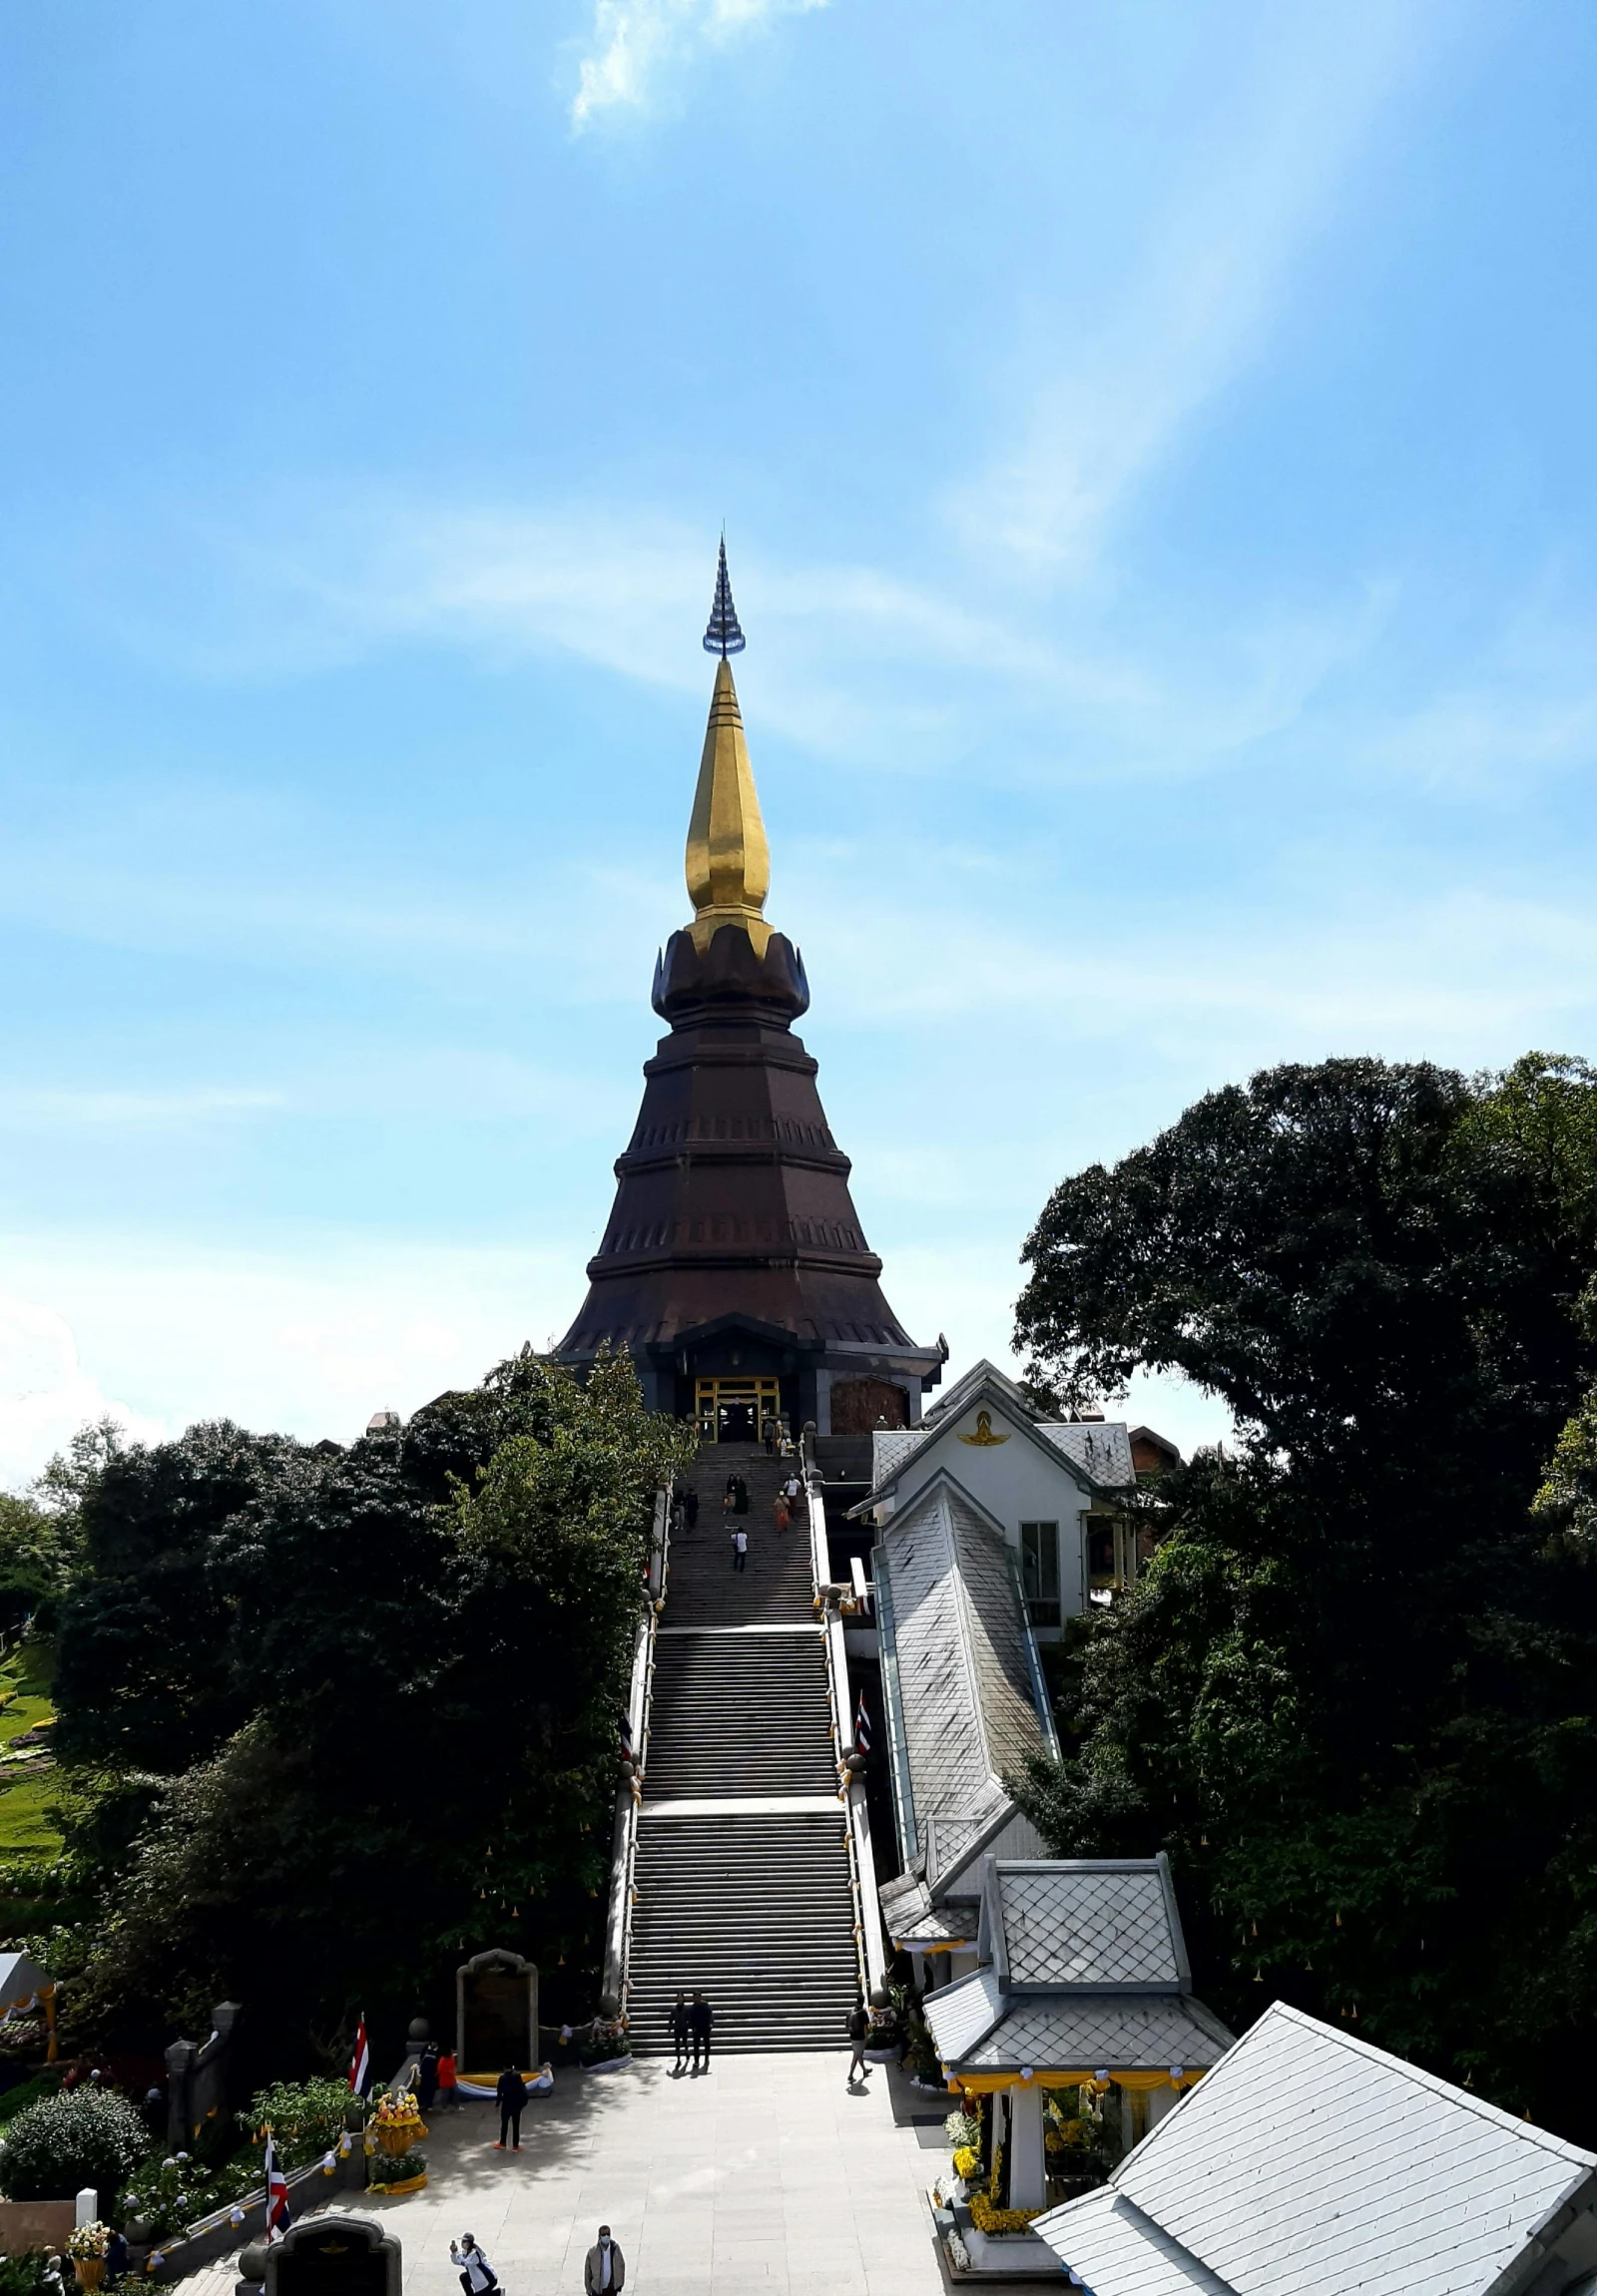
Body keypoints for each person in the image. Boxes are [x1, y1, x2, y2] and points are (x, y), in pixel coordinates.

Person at [494, 2065, 528, 2150]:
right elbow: (522, 2089)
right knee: (516, 2125)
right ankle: (515, 2146)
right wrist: (523, 2103)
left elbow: (499, 2092)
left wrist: (497, 2104)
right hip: (516, 2103)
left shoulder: (502, 2078)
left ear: (504, 2068)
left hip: (506, 2103)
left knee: (504, 2124)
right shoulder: (517, 2076)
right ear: (513, 2067)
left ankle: (502, 2143)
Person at [584, 2226, 626, 2294]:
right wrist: (588, 2289)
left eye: (608, 2234)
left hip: (611, 2287)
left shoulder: (615, 2249)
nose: (606, 2236)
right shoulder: (593, 2252)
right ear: (599, 2236)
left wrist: (619, 2283)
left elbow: (621, 2265)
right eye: (603, 2234)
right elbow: (587, 2272)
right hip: (597, 2289)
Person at [845, 1998, 870, 2084]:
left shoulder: (851, 2011)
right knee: (856, 2056)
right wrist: (866, 2037)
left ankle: (864, 2070)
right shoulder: (863, 2012)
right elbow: (865, 2027)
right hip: (860, 2038)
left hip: (853, 2037)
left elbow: (846, 2024)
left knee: (858, 2055)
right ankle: (850, 2075)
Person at [689, 1991, 712, 2071]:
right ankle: (696, 2061)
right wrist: (692, 2027)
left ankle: (706, 2057)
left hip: (705, 2027)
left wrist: (710, 2024)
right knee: (696, 2046)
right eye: (695, 1997)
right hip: (696, 2029)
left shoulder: (705, 2005)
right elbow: (690, 2019)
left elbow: (710, 2015)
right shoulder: (692, 2008)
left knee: (706, 2044)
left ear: (700, 1997)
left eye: (698, 1997)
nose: (697, 1999)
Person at [669, 1991, 691, 2074]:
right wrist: (670, 2026)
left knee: (684, 2043)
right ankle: (678, 2060)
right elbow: (671, 2018)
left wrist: (689, 2025)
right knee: (677, 2045)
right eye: (678, 1998)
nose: (680, 1999)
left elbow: (689, 2018)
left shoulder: (686, 2008)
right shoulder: (674, 2009)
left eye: (681, 1998)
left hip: (684, 2028)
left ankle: (687, 2052)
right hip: (677, 2028)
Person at [417, 2043, 440, 2113]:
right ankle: (421, 2104)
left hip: (432, 2074)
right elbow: (421, 2057)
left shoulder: (438, 2052)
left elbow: (439, 2063)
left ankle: (429, 2104)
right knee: (423, 2088)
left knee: (431, 2090)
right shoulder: (426, 2048)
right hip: (424, 2072)